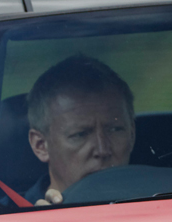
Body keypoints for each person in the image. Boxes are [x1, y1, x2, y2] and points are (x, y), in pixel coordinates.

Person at [25, 54, 136, 204]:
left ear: (132, 134)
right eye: (80, 134)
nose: (102, 150)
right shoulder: (6, 219)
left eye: (115, 129)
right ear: (41, 146)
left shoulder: (164, 205)